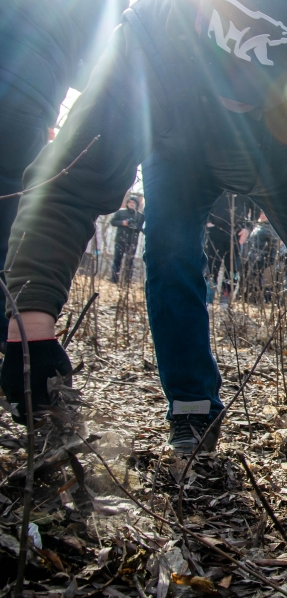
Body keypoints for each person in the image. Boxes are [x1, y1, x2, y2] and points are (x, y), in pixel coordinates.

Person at [0, 0, 287, 462]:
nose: (237, 108)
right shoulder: (147, 35)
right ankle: (191, 406)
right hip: (180, 150)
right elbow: (70, 181)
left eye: (251, 96)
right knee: (170, 256)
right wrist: (33, 327)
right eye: (227, 91)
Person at [0, 0, 124, 350]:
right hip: (29, 89)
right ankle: (16, 352)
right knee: (9, 223)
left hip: (27, 83)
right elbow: (101, 63)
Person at [110, 196, 145, 284]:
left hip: (133, 241)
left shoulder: (140, 216)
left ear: (136, 205)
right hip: (120, 239)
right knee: (117, 260)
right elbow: (113, 222)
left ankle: (127, 280)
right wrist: (122, 223)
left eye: (134, 203)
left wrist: (136, 227)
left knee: (130, 261)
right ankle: (114, 278)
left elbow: (141, 228)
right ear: (127, 203)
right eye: (130, 202)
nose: (132, 204)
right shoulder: (121, 213)